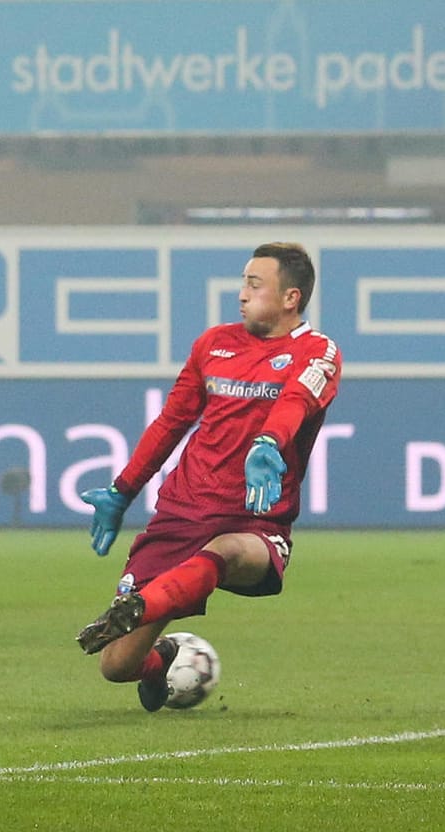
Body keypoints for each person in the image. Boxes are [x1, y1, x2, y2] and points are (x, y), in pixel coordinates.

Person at [75, 242, 341, 711]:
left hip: (254, 523)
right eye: (243, 282)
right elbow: (171, 423)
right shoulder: (213, 344)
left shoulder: (317, 351)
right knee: (116, 666)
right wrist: (122, 491)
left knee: (225, 550)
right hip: (181, 513)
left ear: (290, 298)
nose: (241, 294)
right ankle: (162, 659)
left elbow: (295, 401)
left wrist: (267, 443)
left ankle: (143, 605)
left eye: (254, 285)